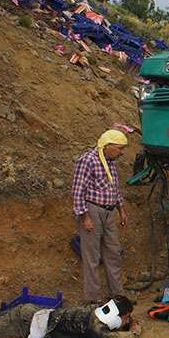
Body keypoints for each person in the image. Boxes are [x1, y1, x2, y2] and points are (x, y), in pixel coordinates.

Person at [72, 129, 129, 303]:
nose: (122, 152)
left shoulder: (110, 162)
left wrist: (121, 209)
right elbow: (77, 191)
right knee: (92, 257)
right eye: (119, 148)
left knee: (113, 253)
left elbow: (113, 188)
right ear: (108, 145)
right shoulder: (88, 160)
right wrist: (85, 217)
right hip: (93, 211)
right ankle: (93, 299)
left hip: (109, 211)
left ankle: (117, 295)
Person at [0, 296, 141, 338]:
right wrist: (134, 331)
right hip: (24, 322)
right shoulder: (95, 325)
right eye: (126, 318)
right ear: (120, 316)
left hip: (30, 314)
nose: (126, 321)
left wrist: (127, 319)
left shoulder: (95, 309)